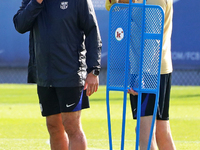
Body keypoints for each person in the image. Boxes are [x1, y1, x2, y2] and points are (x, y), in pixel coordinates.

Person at [13, 0, 102, 149]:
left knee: (72, 126)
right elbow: (20, 25)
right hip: (45, 75)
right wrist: (36, 2)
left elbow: (92, 31)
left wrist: (94, 70)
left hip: (71, 73)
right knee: (53, 127)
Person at [105, 0, 176, 150]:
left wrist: (141, 76)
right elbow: (112, 8)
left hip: (149, 72)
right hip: (153, 69)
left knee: (144, 134)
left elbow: (153, 39)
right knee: (161, 132)